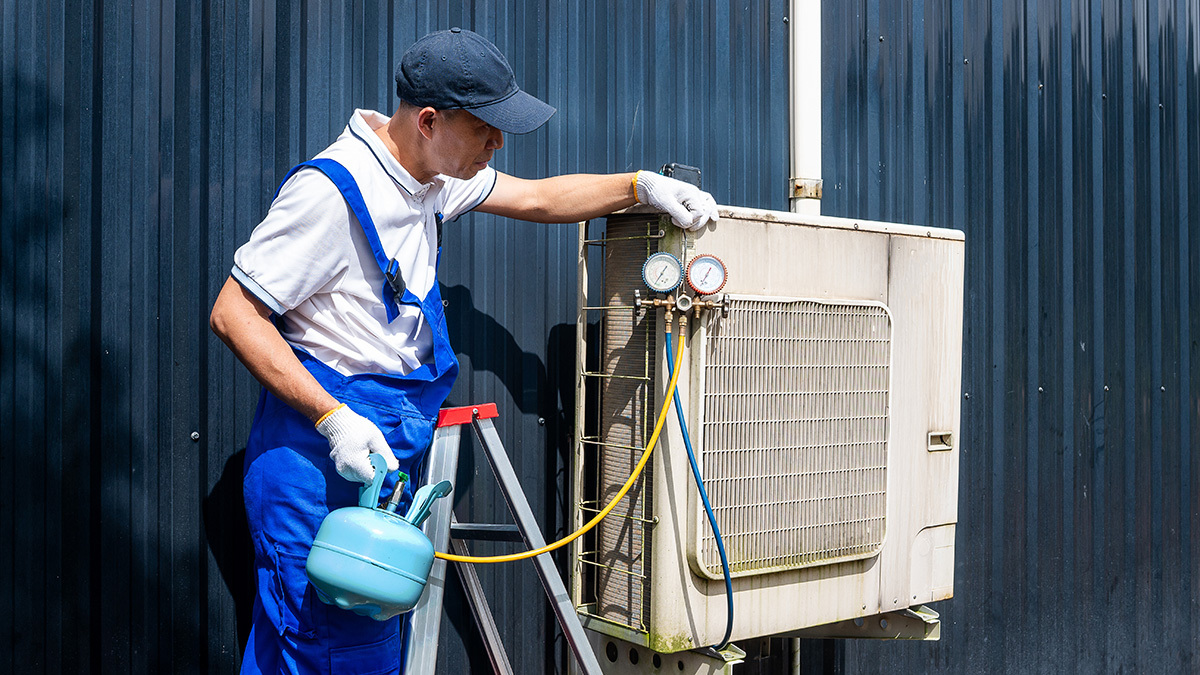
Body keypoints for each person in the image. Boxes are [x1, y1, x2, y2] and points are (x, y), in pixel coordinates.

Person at [209, 27, 718, 675]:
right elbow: (234, 312)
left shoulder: (431, 178)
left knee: (323, 648)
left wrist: (641, 186)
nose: (498, 142)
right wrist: (331, 416)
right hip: (315, 464)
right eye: (486, 128)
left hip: (375, 456)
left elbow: (537, 196)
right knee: (328, 648)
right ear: (429, 120)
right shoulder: (332, 193)